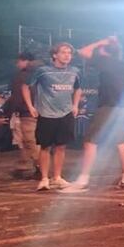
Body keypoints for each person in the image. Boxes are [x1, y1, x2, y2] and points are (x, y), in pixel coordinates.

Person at [64, 37, 124, 191]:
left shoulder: (105, 61)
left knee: (90, 141)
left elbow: (82, 51)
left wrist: (101, 42)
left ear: (104, 51)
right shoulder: (122, 65)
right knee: (121, 142)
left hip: (108, 106)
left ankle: (83, 180)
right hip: (123, 107)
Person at [23, 42, 82, 191]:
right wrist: (30, 106)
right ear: (55, 55)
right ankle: (44, 178)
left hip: (66, 113)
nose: (67, 55)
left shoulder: (75, 71)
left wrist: (75, 105)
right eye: (63, 52)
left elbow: (78, 88)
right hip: (47, 114)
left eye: (69, 53)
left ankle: (57, 177)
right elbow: (25, 86)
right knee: (45, 147)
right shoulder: (43, 71)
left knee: (61, 146)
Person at [7, 51, 42, 179]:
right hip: (41, 111)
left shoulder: (22, 76)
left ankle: (40, 169)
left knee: (30, 141)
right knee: (27, 141)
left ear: (25, 61)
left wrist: (9, 112)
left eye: (18, 61)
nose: (17, 64)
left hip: (27, 112)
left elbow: (17, 96)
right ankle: (24, 167)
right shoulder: (43, 72)